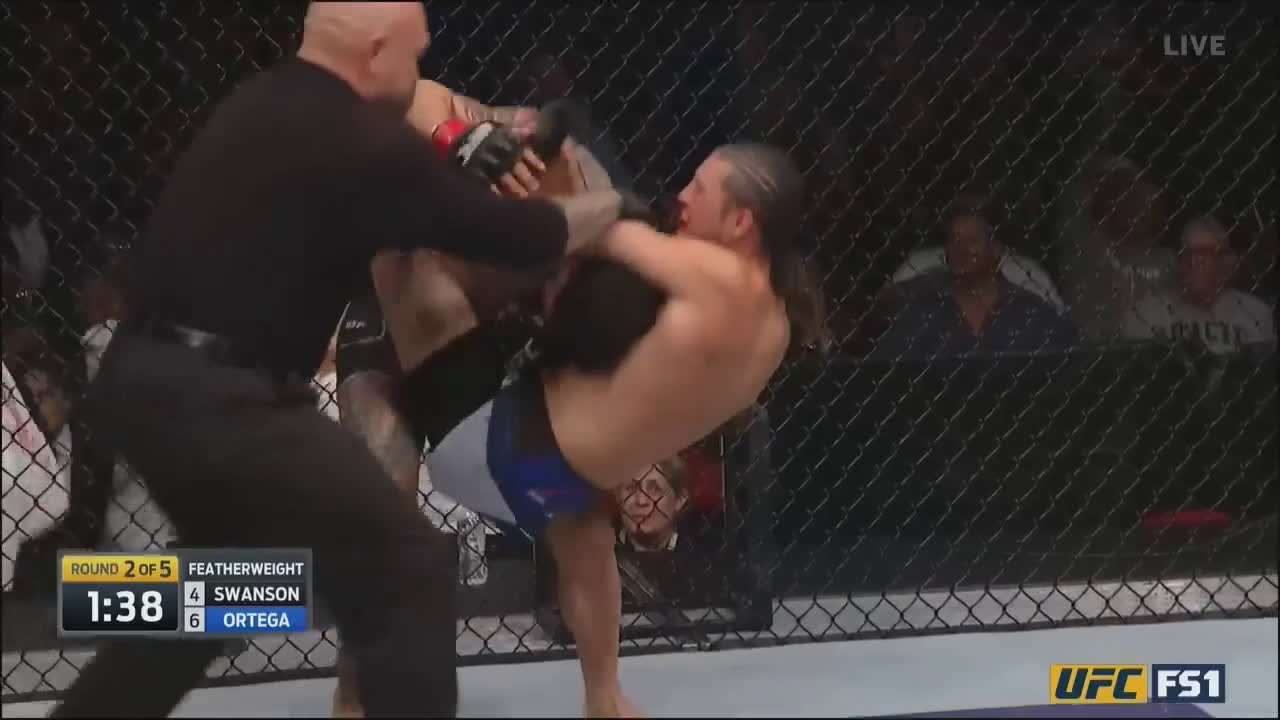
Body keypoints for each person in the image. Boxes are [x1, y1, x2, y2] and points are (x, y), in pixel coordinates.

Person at [47, 2, 648, 717]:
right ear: (376, 51)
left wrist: (482, 137)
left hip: (145, 377)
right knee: (411, 568)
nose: (416, 73)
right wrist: (612, 207)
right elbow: (514, 235)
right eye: (412, 56)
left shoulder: (266, 100)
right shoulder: (360, 139)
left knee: (209, 596)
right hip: (225, 398)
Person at [390, 142, 826, 717]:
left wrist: (585, 179)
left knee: (409, 260)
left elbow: (591, 230)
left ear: (741, 222)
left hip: (489, 445)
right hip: (565, 481)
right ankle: (604, 698)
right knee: (586, 540)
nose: (682, 197)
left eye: (699, 188)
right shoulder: (776, 327)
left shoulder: (717, 276)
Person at [329, 78, 612, 717]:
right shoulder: (473, 127)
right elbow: (405, 100)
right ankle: (354, 695)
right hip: (388, 319)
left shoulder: (583, 194)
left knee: (578, 514)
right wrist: (460, 137)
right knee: (381, 513)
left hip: (481, 341)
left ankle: (604, 697)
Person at [874, 198, 1079, 359]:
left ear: (996, 250)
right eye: (955, 240)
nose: (961, 249)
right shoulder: (920, 314)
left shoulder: (1030, 311)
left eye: (972, 240)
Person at [1123, 216, 1275, 355]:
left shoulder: (1255, 313)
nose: (1191, 263)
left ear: (1222, 262)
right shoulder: (1147, 311)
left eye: (1202, 256)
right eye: (1186, 254)